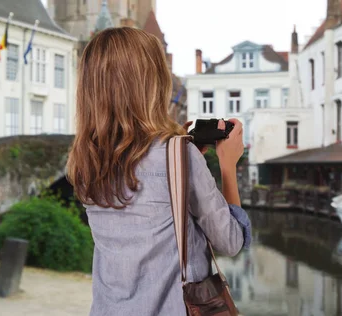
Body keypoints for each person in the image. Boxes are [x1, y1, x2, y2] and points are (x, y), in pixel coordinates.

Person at [66, 27, 251, 316]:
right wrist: (228, 165)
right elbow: (230, 241)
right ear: (152, 83)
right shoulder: (176, 155)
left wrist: (180, 162)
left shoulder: (86, 159)